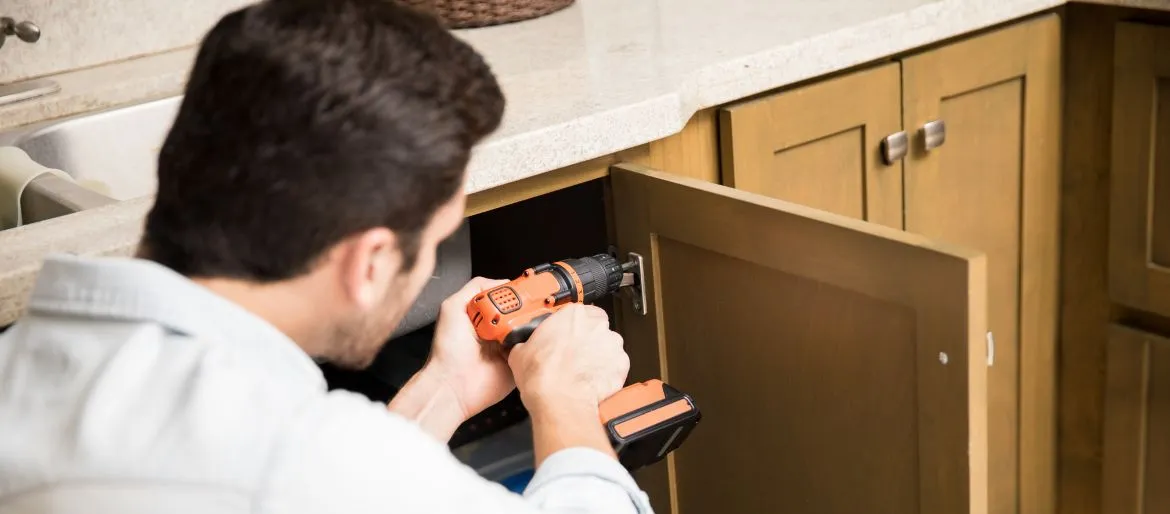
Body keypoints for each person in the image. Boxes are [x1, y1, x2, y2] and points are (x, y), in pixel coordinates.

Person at [0, 0, 651, 512]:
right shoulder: (291, 461)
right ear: (368, 263)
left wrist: (444, 391)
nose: (429, 265)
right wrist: (565, 405)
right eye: (434, 241)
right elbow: (309, 472)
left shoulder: (27, 366)